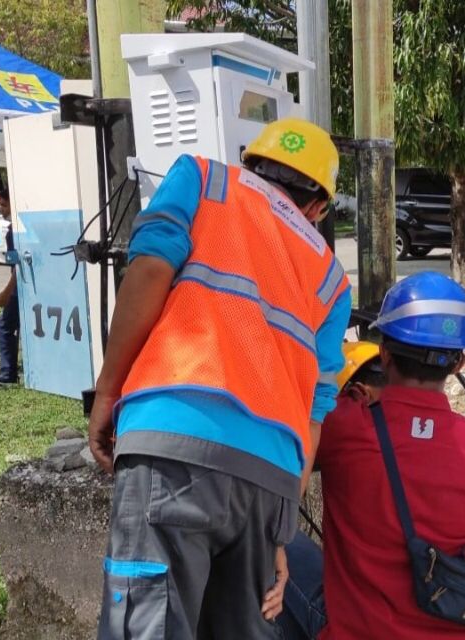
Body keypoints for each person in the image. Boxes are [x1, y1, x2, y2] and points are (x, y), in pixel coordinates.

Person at [87, 117, 352, 639]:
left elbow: (147, 273)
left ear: (249, 164)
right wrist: (281, 532)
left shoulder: (204, 179)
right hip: (269, 478)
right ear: (319, 207)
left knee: (147, 624)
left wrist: (109, 391)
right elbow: (314, 411)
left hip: (174, 441)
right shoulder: (331, 276)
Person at [281, 272, 465, 640]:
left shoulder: (344, 427)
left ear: (385, 354)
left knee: (277, 537)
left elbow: (288, 442)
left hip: (358, 631)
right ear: (458, 365)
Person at [0, 188, 20, 386]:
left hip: (19, 287)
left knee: (4, 327)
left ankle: (7, 373)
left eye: (3, 204)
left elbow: (18, 264)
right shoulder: (18, 227)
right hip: (24, 285)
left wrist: (7, 291)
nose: (0, 208)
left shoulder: (13, 231)